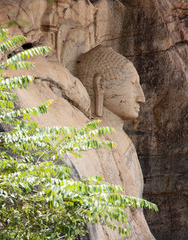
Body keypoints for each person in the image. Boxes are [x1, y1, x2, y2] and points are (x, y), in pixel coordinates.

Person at [76, 45, 155, 240]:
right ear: (100, 85)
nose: (142, 98)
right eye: (133, 84)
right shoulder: (93, 138)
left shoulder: (123, 140)